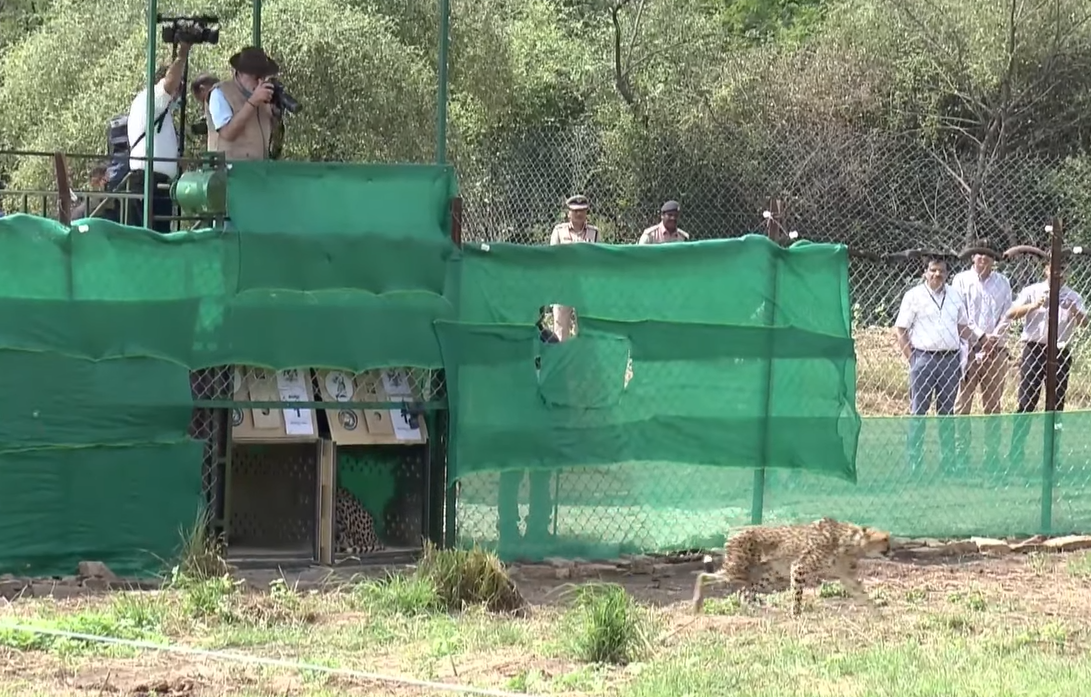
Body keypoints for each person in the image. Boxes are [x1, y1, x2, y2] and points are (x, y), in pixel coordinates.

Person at [894, 254, 971, 471]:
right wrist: (912, 358)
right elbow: (901, 329)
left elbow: (962, 327)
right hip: (923, 358)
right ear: (925, 273)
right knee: (919, 411)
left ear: (947, 274)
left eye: (942, 271)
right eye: (933, 270)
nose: (937, 274)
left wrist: (981, 340)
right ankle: (914, 463)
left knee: (947, 413)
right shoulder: (913, 296)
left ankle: (948, 463)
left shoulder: (955, 296)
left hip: (950, 360)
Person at [1006, 254, 1087, 461]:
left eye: (1062, 269)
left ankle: (1052, 455)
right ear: (1045, 269)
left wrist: (1075, 312)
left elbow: (1085, 323)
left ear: (1066, 272)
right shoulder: (1032, 291)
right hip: (1034, 350)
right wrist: (1033, 306)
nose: (1058, 273)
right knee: (1026, 402)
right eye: (1053, 268)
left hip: (1060, 351)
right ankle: (1016, 453)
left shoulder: (1073, 296)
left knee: (1056, 405)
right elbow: (1011, 313)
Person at [497, 306, 559, 554]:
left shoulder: (550, 342)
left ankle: (538, 528)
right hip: (513, 419)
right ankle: (508, 530)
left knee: (541, 474)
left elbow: (558, 381)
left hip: (540, 420)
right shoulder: (509, 341)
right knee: (511, 474)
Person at [125, 43, 191, 233]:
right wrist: (182, 56)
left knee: (159, 236)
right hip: (147, 181)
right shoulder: (152, 98)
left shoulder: (161, 111)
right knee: (147, 236)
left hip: (159, 183)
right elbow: (168, 85)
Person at [207, 46, 281, 161]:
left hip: (259, 169)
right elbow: (227, 133)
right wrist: (253, 102)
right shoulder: (220, 93)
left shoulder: (263, 99)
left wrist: (276, 112)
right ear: (240, 73)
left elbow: (274, 138)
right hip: (231, 171)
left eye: (263, 77)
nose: (260, 82)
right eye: (255, 77)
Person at [549, 195, 599, 341]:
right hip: (563, 285)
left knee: (584, 328)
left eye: (582, 210)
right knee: (560, 328)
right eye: (575, 210)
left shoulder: (594, 233)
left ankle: (582, 360)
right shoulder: (559, 231)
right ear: (568, 212)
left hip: (586, 286)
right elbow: (553, 258)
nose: (579, 214)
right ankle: (562, 361)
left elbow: (598, 259)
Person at [190, 72, 221, 153]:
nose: (202, 104)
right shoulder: (230, 93)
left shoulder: (212, 98)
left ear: (202, 89)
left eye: (201, 99)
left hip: (218, 150)